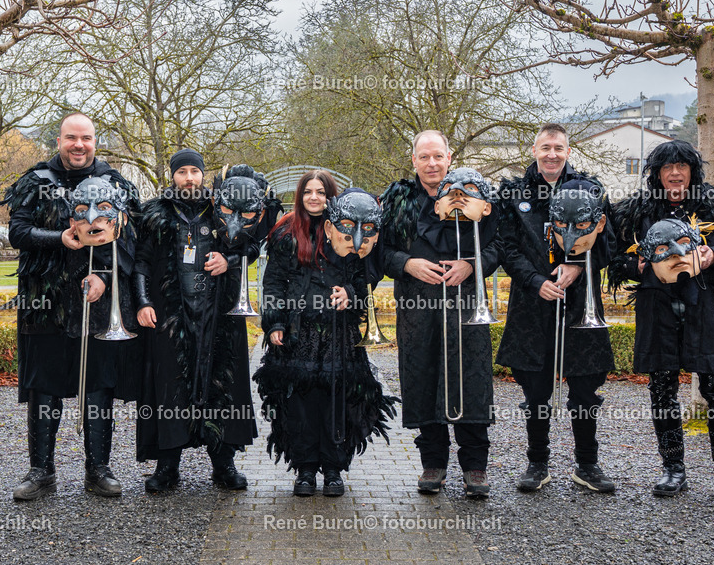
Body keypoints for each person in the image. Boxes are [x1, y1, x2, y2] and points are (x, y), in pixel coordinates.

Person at [609, 140, 714, 506]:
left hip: (707, 308)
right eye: (667, 168)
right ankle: (673, 470)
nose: (674, 173)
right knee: (661, 391)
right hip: (656, 308)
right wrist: (638, 267)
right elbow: (614, 260)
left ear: (693, 171)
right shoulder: (637, 211)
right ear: (657, 174)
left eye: (681, 166)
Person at [3, 112, 141, 501]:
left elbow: (130, 241)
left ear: (95, 141)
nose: (78, 145)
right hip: (44, 302)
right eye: (71, 138)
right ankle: (41, 472)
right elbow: (18, 232)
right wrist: (59, 238)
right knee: (43, 389)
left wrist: (106, 277)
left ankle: (98, 469)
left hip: (96, 304)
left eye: (86, 138)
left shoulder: (115, 184)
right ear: (59, 140)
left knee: (98, 387)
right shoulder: (35, 181)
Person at [135, 153, 277, 492]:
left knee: (222, 385)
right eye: (181, 172)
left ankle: (223, 462)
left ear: (203, 175)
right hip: (171, 316)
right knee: (169, 387)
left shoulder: (222, 207)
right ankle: (167, 465)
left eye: (194, 171)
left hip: (220, 313)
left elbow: (253, 245)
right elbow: (141, 260)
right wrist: (142, 301)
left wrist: (228, 259)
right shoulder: (155, 213)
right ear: (173, 176)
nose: (188, 178)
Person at [255, 177, 397, 497]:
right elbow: (273, 282)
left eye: (321, 192)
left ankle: (333, 469)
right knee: (300, 403)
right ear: (299, 195)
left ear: (331, 197)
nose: (314, 197)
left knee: (338, 399)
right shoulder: (284, 232)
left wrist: (349, 293)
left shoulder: (349, 227)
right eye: (308, 191)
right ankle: (304, 469)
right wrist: (274, 323)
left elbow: (363, 280)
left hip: (339, 331)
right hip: (296, 331)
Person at [497, 123, 616, 494]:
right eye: (545, 147)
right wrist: (537, 282)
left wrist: (577, 265)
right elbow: (506, 248)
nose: (551, 154)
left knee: (584, 389)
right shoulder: (513, 193)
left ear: (568, 151)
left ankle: (587, 464)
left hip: (581, 303)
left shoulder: (592, 190)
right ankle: (537, 463)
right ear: (534, 149)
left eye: (558, 148)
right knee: (535, 391)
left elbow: (609, 244)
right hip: (532, 304)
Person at [379, 132, 501, 497]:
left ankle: (475, 469)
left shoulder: (476, 191)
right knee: (423, 378)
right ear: (413, 160)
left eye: (438, 156)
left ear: (449, 157)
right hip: (417, 307)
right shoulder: (397, 199)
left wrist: (473, 265)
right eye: (424, 157)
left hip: (465, 303)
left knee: (470, 381)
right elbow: (379, 250)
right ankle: (433, 465)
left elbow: (499, 245)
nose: (431, 164)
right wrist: (407, 263)